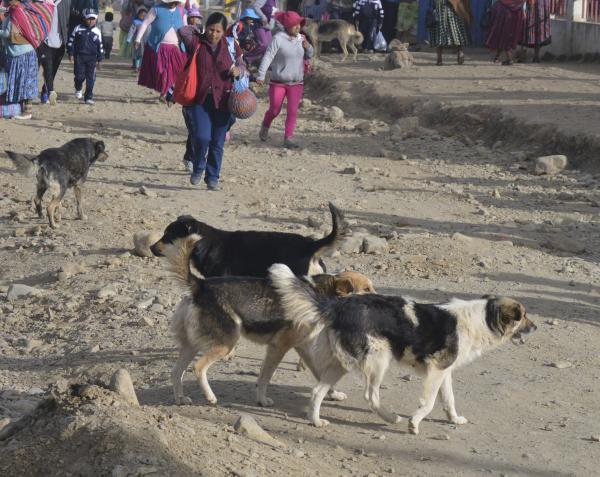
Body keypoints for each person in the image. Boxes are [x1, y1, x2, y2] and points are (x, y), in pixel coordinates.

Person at [176, 12, 245, 189]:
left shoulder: (231, 45)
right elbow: (183, 30)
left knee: (217, 142)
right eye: (211, 29)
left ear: (224, 32)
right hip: (200, 100)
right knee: (201, 137)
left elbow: (242, 64)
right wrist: (198, 27)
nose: (213, 34)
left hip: (224, 101)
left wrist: (239, 70)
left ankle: (212, 177)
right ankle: (198, 166)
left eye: (218, 31)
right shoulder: (196, 42)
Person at [256, 11, 313, 150]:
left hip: (297, 82)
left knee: (292, 111)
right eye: (294, 25)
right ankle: (265, 125)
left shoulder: (302, 38)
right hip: (278, 82)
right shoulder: (278, 39)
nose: (298, 27)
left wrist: (308, 47)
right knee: (274, 110)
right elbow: (268, 56)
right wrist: (261, 75)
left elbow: (310, 54)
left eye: (299, 24)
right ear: (287, 26)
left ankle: (288, 137)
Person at [134, 0, 187, 101]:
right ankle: (164, 92)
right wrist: (137, 39)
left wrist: (189, 41)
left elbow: (186, 27)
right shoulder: (156, 9)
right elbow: (145, 23)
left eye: (175, 2)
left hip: (176, 48)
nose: (172, 4)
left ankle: (166, 94)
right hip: (159, 47)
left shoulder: (182, 11)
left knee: (175, 72)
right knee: (161, 71)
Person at [0, 0, 40, 119]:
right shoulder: (15, 12)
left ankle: (27, 112)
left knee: (25, 82)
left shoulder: (17, 12)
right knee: (19, 81)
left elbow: (8, 33)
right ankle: (18, 109)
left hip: (23, 54)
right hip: (18, 54)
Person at [37, 0, 71, 105]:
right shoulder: (43, 2)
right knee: (47, 68)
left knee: (53, 70)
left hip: (60, 43)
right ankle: (50, 91)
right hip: (44, 42)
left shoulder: (67, 2)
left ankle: (44, 91)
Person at [67, 8, 103, 105]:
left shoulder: (97, 31)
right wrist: (70, 53)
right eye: (89, 19)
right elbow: (71, 41)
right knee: (79, 76)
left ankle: (88, 97)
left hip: (92, 59)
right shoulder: (78, 28)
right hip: (79, 57)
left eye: (93, 19)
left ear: (96, 19)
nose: (91, 21)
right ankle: (78, 88)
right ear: (84, 18)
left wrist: (100, 60)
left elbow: (100, 47)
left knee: (91, 78)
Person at [428, 0, 472, 65]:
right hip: (450, 9)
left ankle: (439, 59)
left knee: (441, 33)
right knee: (455, 32)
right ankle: (459, 53)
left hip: (442, 9)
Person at [485, 0, 524, 65]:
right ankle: (496, 58)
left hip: (503, 15)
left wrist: (491, 10)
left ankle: (509, 59)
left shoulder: (500, 3)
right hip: (514, 17)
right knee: (504, 37)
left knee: (503, 37)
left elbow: (495, 6)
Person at [127, 6, 147, 71]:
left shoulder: (147, 23)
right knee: (137, 54)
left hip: (145, 41)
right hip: (137, 42)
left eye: (144, 15)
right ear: (138, 15)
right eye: (141, 15)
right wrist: (129, 39)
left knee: (144, 54)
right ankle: (136, 66)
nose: (143, 16)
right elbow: (131, 31)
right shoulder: (135, 22)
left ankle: (141, 66)